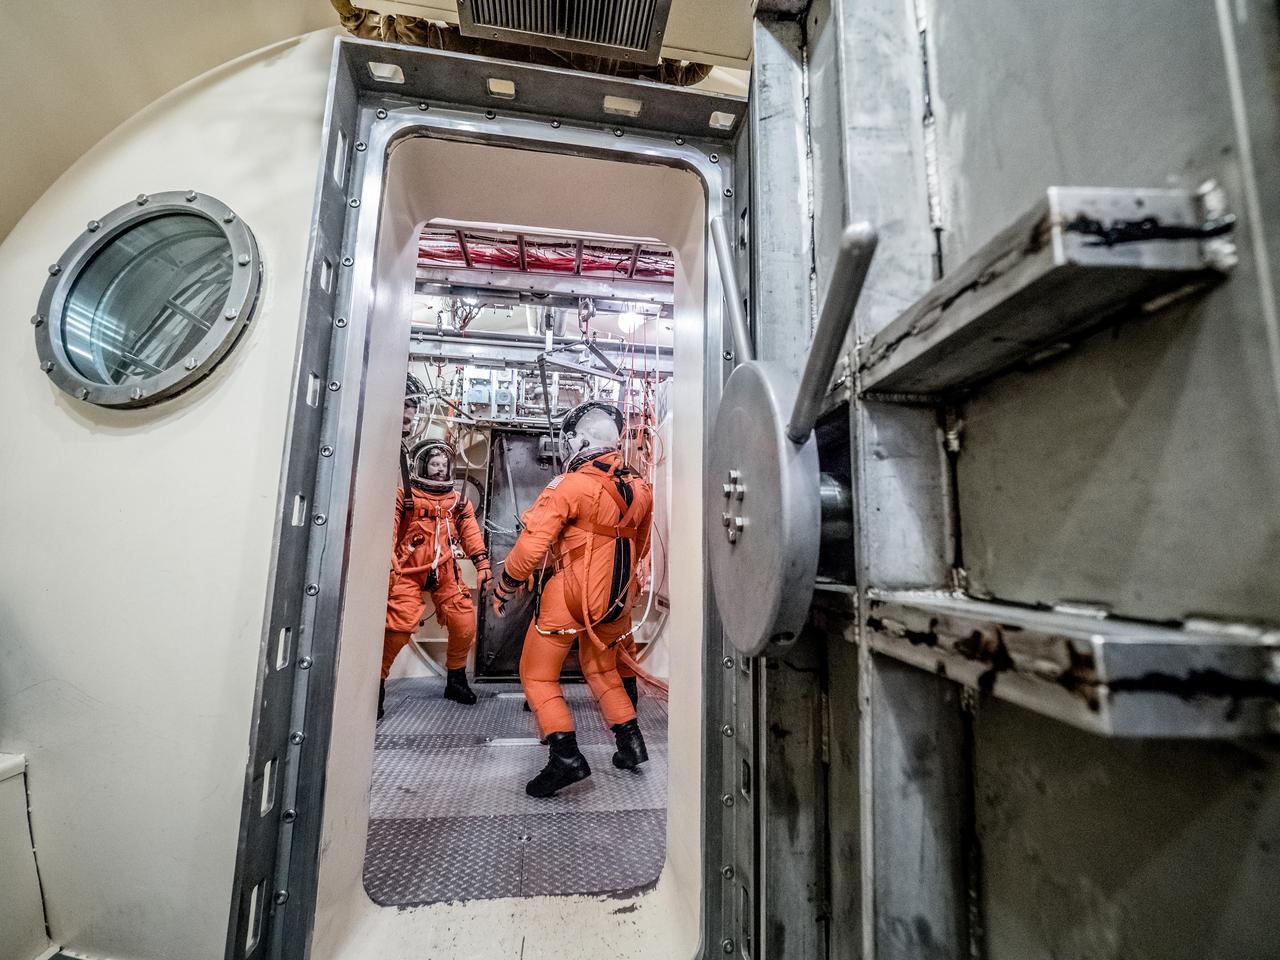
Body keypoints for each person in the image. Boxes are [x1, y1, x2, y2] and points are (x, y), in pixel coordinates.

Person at [492, 401, 652, 797]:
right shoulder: (641, 488)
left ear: (578, 440)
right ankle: (631, 745)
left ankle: (565, 757)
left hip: (570, 597)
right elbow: (642, 547)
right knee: (602, 672)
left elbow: (531, 549)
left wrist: (506, 585)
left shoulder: (568, 486)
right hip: (615, 601)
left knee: (537, 675)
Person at [380, 392, 492, 718]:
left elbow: (470, 531)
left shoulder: (457, 501)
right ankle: (377, 685)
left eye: (444, 465)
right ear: (422, 465)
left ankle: (455, 678)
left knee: (464, 623)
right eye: (435, 464)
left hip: (445, 569)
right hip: (407, 569)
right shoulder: (407, 496)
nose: (440, 470)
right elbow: (389, 526)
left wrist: (482, 561)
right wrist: (387, 557)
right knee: (399, 626)